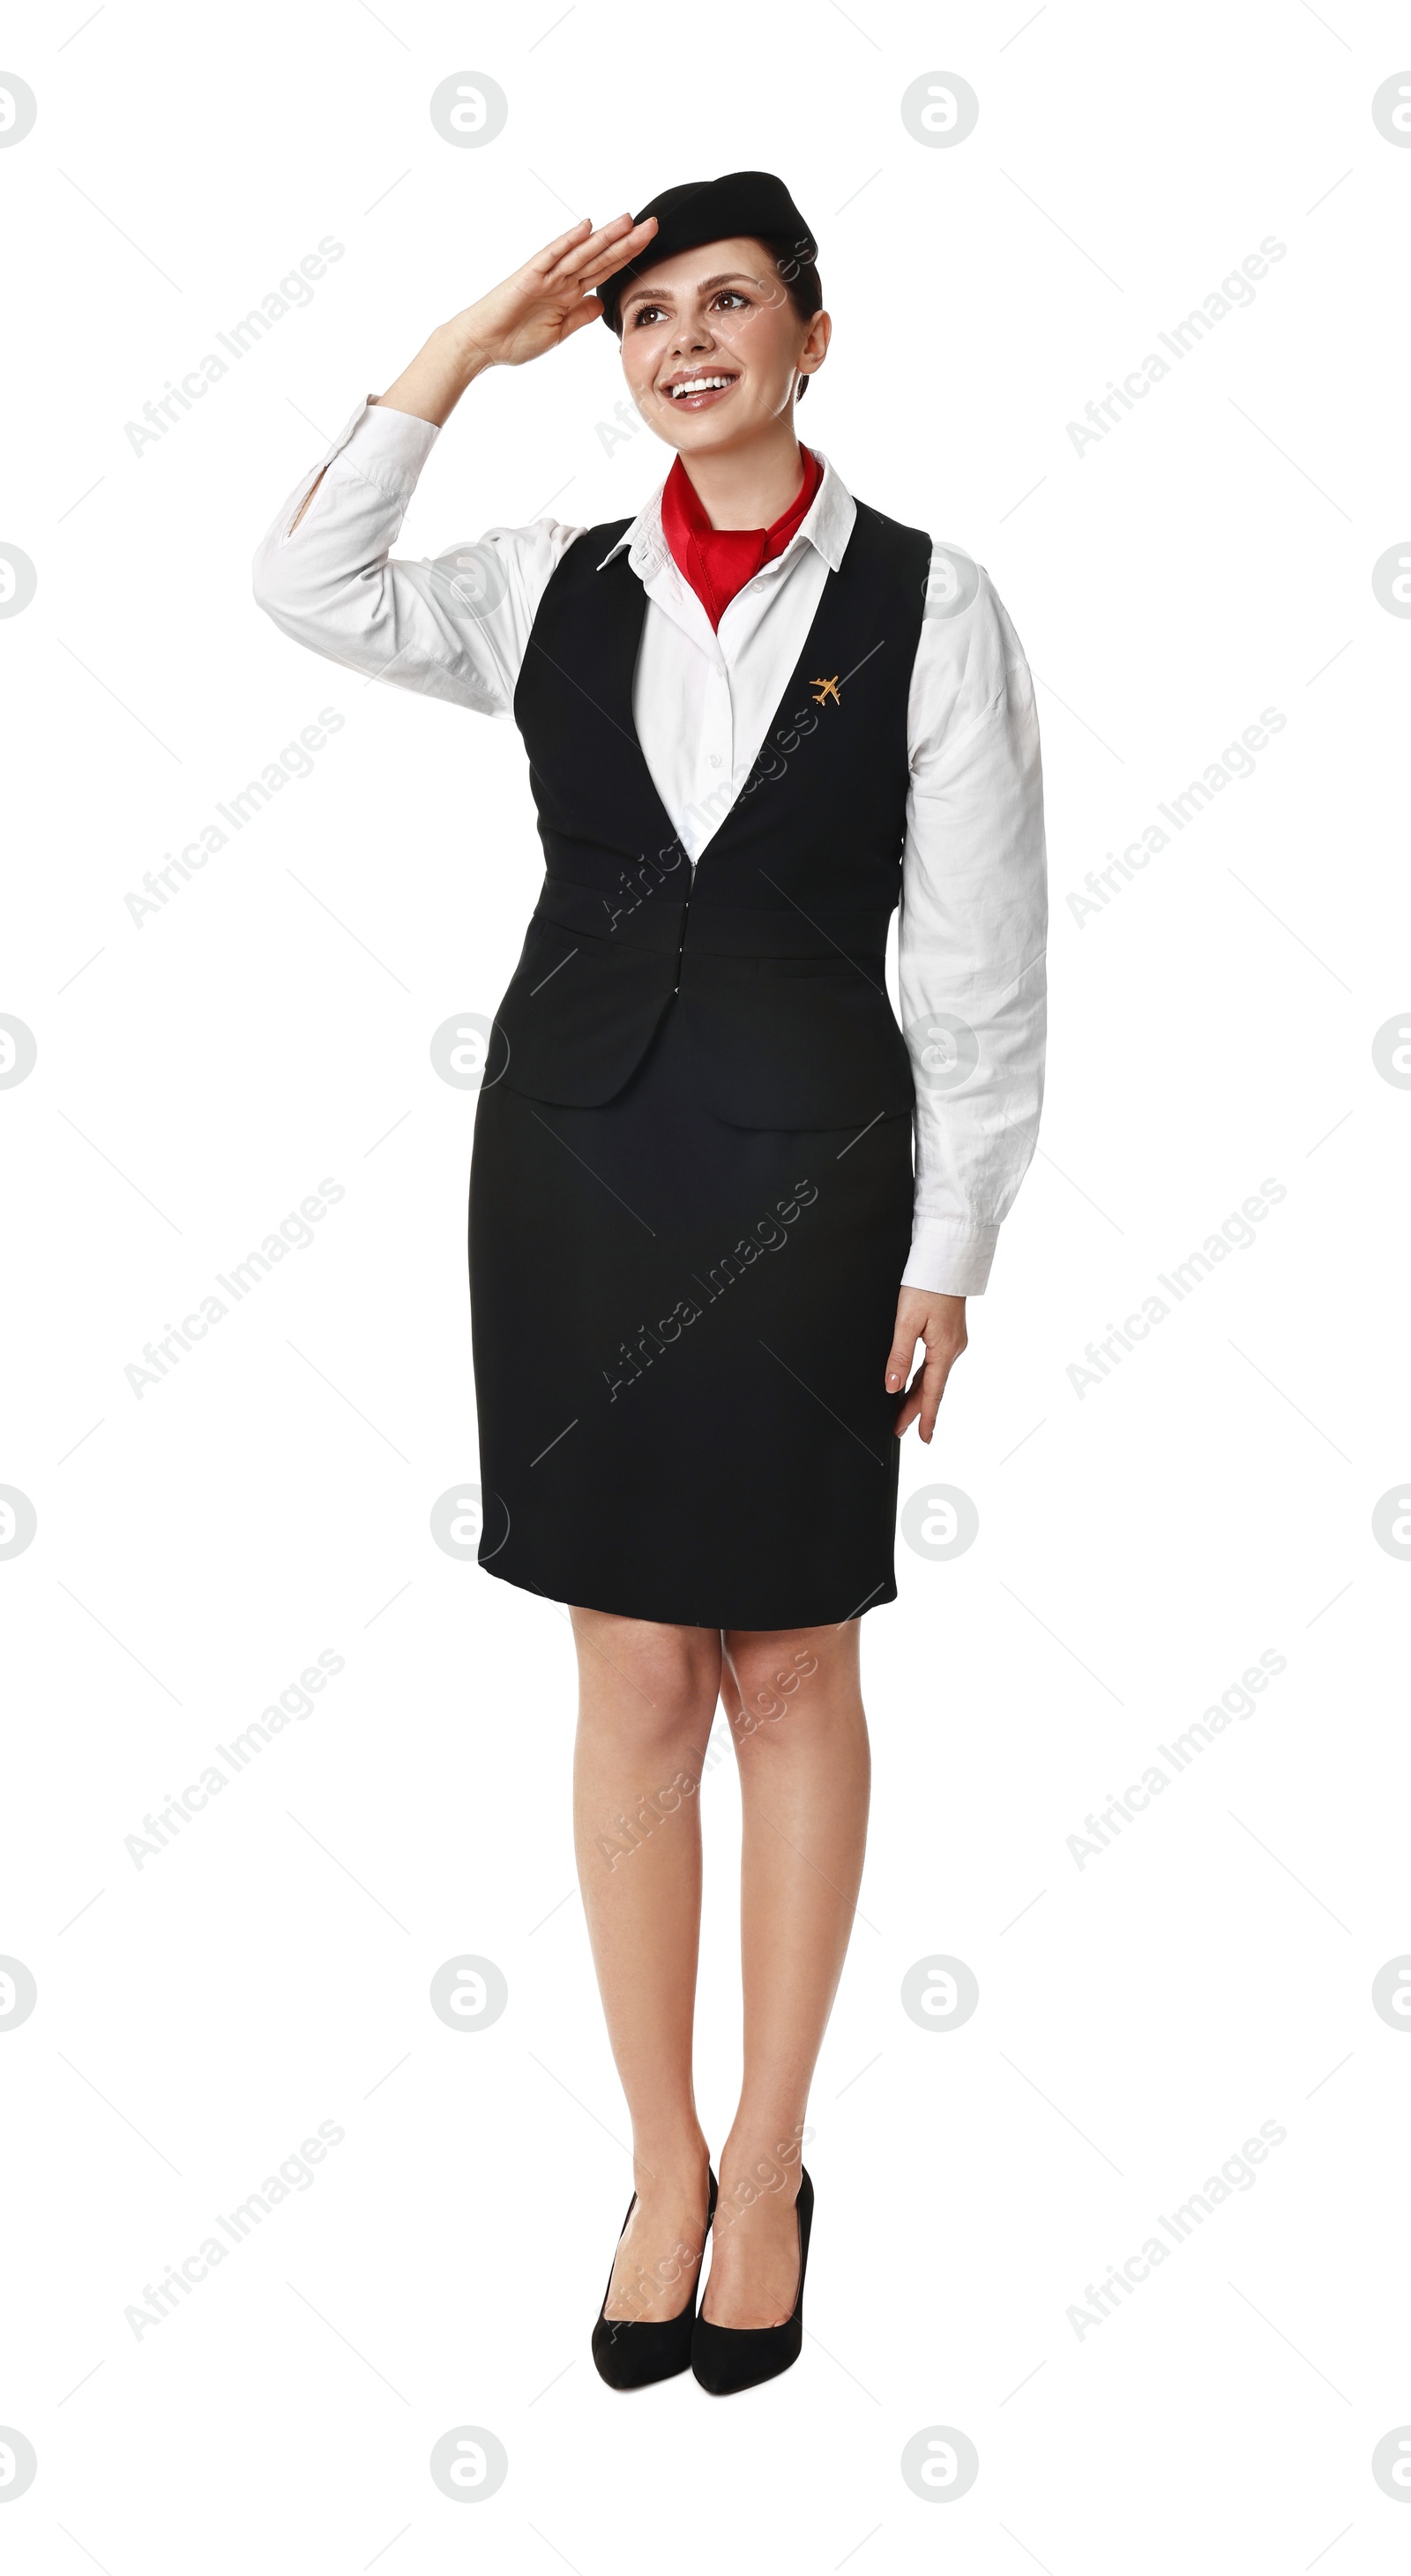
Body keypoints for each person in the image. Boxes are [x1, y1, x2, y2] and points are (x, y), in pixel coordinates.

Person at [253, 169, 1047, 2395]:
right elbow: (302, 578)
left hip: (815, 1190)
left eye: (728, 305)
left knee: (787, 1668)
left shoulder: (932, 604)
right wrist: (464, 345)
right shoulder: (543, 587)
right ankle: (659, 2162)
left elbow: (985, 962)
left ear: (810, 334)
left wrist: (954, 1247)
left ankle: (776, 2157)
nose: (683, 343)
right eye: (645, 317)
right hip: (578, 1175)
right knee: (626, 1673)